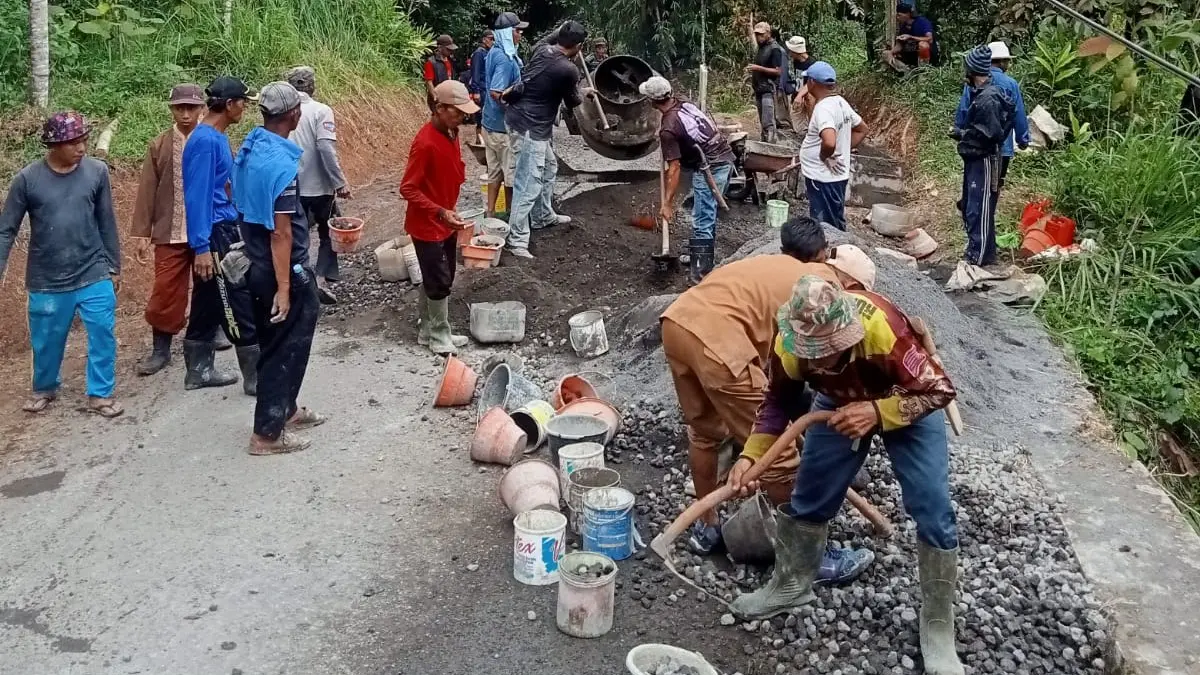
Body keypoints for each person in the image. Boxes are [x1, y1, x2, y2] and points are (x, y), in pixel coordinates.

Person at [726, 275, 963, 675]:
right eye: (810, 354)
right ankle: (791, 585)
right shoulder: (788, 344)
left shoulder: (882, 330)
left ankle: (938, 626)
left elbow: (939, 391)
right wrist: (752, 456)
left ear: (847, 334)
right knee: (810, 494)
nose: (816, 362)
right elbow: (777, 403)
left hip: (904, 398)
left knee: (932, 506)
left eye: (826, 352)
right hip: (837, 402)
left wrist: (877, 413)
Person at [0, 111, 123, 418]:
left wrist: (113, 265)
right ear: (53, 145)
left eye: (83, 140)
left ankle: (100, 394)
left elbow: (106, 221)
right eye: (73, 142)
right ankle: (44, 387)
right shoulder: (28, 179)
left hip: (93, 269)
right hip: (47, 276)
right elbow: (7, 229)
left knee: (102, 332)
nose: (81, 148)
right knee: (46, 339)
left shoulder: (97, 172)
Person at [230, 81, 326, 455]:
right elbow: (281, 234)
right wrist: (285, 288)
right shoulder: (281, 165)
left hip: (256, 263)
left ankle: (285, 409)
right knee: (283, 349)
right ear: (294, 115)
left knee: (277, 342)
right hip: (278, 268)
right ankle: (266, 434)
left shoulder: (252, 148)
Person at [181, 76, 259, 394]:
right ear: (228, 105)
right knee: (234, 300)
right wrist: (200, 246)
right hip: (213, 234)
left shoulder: (215, 137)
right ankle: (255, 376)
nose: (245, 108)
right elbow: (196, 196)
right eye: (243, 102)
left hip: (221, 227)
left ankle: (197, 370)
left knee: (207, 299)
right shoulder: (205, 142)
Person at [130, 83, 207, 376]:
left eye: (191, 108)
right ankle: (160, 348)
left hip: (206, 232)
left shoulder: (213, 140)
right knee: (166, 290)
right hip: (170, 230)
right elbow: (147, 189)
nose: (186, 114)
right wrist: (142, 233)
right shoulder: (159, 145)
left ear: (202, 109)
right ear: (172, 110)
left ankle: (211, 334)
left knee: (210, 285)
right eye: (179, 108)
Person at [399, 80, 480, 354]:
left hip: (446, 219)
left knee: (439, 276)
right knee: (439, 279)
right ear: (439, 108)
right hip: (427, 223)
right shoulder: (424, 143)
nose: (462, 117)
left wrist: (449, 209)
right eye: (457, 112)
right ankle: (439, 335)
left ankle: (428, 330)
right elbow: (407, 188)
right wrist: (439, 211)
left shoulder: (451, 132)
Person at [503, 20, 591, 259]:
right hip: (530, 126)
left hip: (524, 119)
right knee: (528, 182)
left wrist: (563, 28)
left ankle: (542, 215)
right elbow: (573, 103)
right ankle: (517, 239)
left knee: (550, 167)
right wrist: (584, 93)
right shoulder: (568, 70)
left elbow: (549, 38)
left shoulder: (541, 50)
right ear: (579, 46)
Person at [639, 75, 735, 284]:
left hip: (710, 168)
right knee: (706, 213)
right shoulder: (683, 104)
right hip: (724, 157)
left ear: (652, 101)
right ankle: (699, 256)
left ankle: (700, 273)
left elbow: (674, 169)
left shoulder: (669, 128)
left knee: (702, 219)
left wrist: (667, 204)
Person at [286, 66, 351, 305]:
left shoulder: (281, 112)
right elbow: (325, 148)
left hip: (290, 185)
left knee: (294, 234)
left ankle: (296, 280)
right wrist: (339, 182)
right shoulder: (320, 111)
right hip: (318, 186)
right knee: (328, 232)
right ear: (311, 85)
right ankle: (321, 279)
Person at [951, 45, 1016, 267]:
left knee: (980, 207)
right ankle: (981, 253)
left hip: (984, 159)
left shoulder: (988, 99)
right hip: (975, 158)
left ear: (973, 71)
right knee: (971, 205)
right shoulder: (981, 94)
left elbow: (989, 134)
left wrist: (963, 134)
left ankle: (978, 256)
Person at [799, 62, 868, 231]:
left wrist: (826, 156)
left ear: (812, 83)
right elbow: (862, 129)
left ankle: (829, 254)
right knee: (835, 221)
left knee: (825, 227)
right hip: (836, 178)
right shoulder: (840, 102)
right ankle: (837, 251)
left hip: (823, 178)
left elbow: (829, 141)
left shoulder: (823, 109)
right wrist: (843, 150)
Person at [955, 41, 1029, 184]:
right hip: (1002, 146)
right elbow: (1018, 114)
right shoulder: (1011, 84)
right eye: (1007, 61)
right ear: (1001, 62)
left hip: (974, 143)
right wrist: (1022, 139)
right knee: (995, 183)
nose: (1008, 65)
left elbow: (964, 108)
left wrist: (959, 131)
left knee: (974, 181)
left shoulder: (975, 80)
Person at [483, 12, 527, 219]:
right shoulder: (506, 59)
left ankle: (490, 214)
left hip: (489, 123)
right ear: (508, 34)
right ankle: (510, 217)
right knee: (510, 177)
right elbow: (496, 92)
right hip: (503, 128)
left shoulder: (493, 51)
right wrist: (516, 98)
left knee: (494, 174)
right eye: (518, 31)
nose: (520, 34)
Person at [746, 22, 786, 142]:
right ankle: (764, 143)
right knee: (763, 121)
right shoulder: (761, 47)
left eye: (761, 35)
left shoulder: (775, 49)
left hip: (768, 89)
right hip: (759, 88)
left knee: (768, 121)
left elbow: (778, 72)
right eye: (757, 35)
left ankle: (771, 145)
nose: (759, 37)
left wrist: (758, 68)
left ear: (768, 34)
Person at [467, 30, 494, 142]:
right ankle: (479, 141)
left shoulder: (488, 52)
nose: (493, 41)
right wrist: (476, 91)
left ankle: (484, 140)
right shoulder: (479, 53)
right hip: (481, 88)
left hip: (487, 88)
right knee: (480, 116)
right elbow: (475, 73)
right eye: (491, 38)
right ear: (484, 39)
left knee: (486, 115)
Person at [891, 3, 935, 68]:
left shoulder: (922, 22)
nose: (897, 18)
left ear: (908, 14)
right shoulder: (903, 26)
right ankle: (906, 70)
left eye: (899, 15)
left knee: (923, 45)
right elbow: (900, 46)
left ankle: (923, 71)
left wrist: (910, 37)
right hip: (910, 57)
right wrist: (891, 52)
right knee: (886, 54)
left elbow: (930, 39)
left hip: (925, 56)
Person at [423, 35, 458, 112]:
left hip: (449, 96)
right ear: (440, 47)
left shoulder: (450, 60)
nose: (450, 51)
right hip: (438, 97)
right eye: (448, 49)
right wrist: (435, 97)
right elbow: (429, 82)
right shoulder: (431, 62)